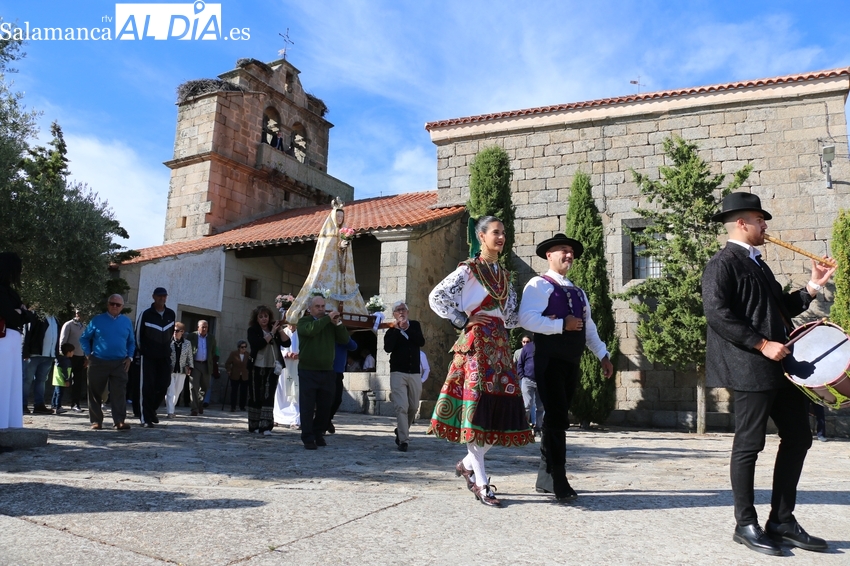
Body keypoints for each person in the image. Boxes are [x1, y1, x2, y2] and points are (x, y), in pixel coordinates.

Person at [702, 192, 834, 556]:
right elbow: (716, 313)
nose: (766, 226)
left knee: (799, 438)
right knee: (749, 445)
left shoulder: (758, 263)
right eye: (761, 220)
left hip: (780, 366)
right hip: (750, 366)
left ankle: (782, 520)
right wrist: (761, 345)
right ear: (742, 223)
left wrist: (812, 286)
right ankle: (745, 524)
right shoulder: (722, 263)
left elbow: (778, 308)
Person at [428, 216, 533, 507]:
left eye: (503, 232)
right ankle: (482, 484)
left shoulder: (505, 274)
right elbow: (436, 297)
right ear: (482, 236)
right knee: (477, 415)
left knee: (500, 416)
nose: (501, 237)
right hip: (476, 347)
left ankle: (466, 464)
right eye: (495, 232)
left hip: (499, 346)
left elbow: (511, 317)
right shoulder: (468, 270)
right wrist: (462, 319)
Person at [519, 233, 614, 503]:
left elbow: (589, 328)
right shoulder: (538, 284)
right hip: (549, 360)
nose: (568, 255)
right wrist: (561, 325)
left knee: (555, 418)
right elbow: (527, 318)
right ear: (549, 255)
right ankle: (558, 477)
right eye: (563, 250)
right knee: (558, 417)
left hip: (571, 361)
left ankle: (545, 477)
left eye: (571, 251)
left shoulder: (578, 291)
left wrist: (603, 355)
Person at [297, 295, 350, 449]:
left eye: (323, 306)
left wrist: (338, 323)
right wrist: (327, 319)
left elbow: (345, 339)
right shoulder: (304, 322)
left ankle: (318, 432)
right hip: (308, 370)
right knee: (307, 405)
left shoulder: (330, 324)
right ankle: (307, 437)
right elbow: (311, 330)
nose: (321, 309)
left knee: (325, 406)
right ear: (310, 309)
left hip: (327, 371)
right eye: (317, 307)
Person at [80, 294, 135, 431]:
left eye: (118, 304)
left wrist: (130, 357)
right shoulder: (97, 320)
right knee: (95, 392)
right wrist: (88, 354)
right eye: (112, 303)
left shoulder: (126, 322)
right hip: (98, 361)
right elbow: (84, 338)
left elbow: (131, 342)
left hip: (120, 362)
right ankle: (96, 421)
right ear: (107, 304)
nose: (115, 306)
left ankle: (119, 421)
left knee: (119, 392)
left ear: (122, 307)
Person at [384, 300, 425, 452]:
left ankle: (401, 430)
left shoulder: (415, 325)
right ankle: (404, 440)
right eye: (398, 310)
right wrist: (395, 330)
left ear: (407, 312)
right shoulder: (390, 331)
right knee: (402, 406)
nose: (401, 312)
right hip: (398, 372)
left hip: (414, 372)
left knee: (413, 407)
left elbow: (421, 341)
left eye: (403, 309)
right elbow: (388, 348)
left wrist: (407, 329)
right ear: (394, 314)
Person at [0, 252, 35, 429]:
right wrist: (20, 313)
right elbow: (12, 315)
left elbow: (25, 315)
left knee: (10, 387)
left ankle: (7, 427)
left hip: (10, 342)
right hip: (3, 340)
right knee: (3, 386)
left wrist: (21, 313)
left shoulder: (10, 292)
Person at [137, 287, 176, 428]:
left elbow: (171, 333)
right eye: (159, 296)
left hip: (164, 356)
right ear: (153, 297)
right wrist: (143, 352)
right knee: (147, 387)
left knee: (164, 384)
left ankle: (152, 410)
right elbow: (138, 336)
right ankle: (145, 418)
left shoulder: (171, 314)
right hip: (148, 357)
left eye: (164, 296)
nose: (162, 298)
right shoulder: (146, 314)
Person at [246, 305, 289, 434]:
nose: (264, 319)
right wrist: (271, 334)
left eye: (266, 316)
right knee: (255, 395)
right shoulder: (252, 330)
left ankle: (266, 426)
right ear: (257, 319)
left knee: (268, 395)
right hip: (257, 366)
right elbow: (257, 344)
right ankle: (254, 425)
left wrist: (280, 330)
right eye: (261, 317)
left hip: (272, 366)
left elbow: (287, 343)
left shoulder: (274, 329)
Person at [22, 312, 59, 415]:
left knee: (42, 381)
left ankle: (39, 405)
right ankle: (22, 405)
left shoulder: (55, 318)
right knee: (27, 380)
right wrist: (25, 351)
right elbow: (27, 333)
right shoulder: (35, 315)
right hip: (34, 354)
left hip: (48, 355)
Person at [186, 320, 218, 416]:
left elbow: (213, 351)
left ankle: (200, 403)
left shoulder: (211, 338)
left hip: (206, 365)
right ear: (198, 327)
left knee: (205, 387)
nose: (204, 329)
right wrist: (188, 364)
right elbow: (187, 350)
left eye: (206, 327)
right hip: (195, 364)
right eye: (203, 327)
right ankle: (194, 409)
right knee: (193, 387)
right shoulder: (192, 336)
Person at [328, 335, 358, 434]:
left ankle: (327, 420)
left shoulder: (343, 337)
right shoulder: (328, 334)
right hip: (326, 370)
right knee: (325, 399)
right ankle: (322, 423)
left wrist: (343, 336)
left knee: (337, 399)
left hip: (338, 372)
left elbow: (353, 346)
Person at [60, 309, 87, 412]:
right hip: (69, 357)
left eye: (82, 313)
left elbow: (85, 343)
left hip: (80, 357)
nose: (80, 315)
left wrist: (86, 357)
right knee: (64, 379)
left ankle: (75, 403)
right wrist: (63, 355)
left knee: (78, 382)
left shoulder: (84, 327)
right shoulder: (68, 325)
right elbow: (63, 341)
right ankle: (58, 403)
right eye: (78, 313)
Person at [273, 324, 300, 428]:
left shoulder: (301, 332)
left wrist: (299, 354)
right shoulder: (282, 332)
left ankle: (294, 418)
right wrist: (286, 354)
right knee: (281, 391)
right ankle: (278, 416)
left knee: (295, 392)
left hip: (296, 366)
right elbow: (277, 346)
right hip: (284, 366)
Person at [516, 335, 544, 436]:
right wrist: (522, 376)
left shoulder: (546, 347)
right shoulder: (527, 347)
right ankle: (525, 427)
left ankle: (538, 428)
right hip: (528, 380)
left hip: (542, 381)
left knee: (540, 407)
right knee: (526, 406)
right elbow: (520, 363)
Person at [165, 322, 193, 418]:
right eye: (174, 330)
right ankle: (170, 412)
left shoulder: (187, 343)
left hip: (181, 370)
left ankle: (170, 405)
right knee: (171, 390)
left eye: (177, 331)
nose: (175, 333)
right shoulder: (168, 341)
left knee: (177, 391)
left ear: (182, 332)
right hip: (170, 370)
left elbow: (190, 356)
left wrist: (190, 367)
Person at [224, 340, 250, 412]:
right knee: (234, 391)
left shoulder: (248, 355)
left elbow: (251, 364)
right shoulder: (233, 354)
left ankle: (242, 406)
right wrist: (229, 370)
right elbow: (227, 363)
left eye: (245, 347)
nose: (244, 349)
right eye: (242, 347)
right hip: (235, 375)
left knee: (244, 392)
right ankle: (233, 406)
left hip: (244, 376)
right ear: (239, 347)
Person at [50, 343, 76, 414]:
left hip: (57, 379)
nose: (73, 353)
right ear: (69, 352)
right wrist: (67, 380)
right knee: (59, 393)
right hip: (61, 380)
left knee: (56, 393)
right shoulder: (66, 361)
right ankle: (58, 407)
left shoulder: (59, 359)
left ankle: (54, 405)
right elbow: (65, 371)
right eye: (72, 351)